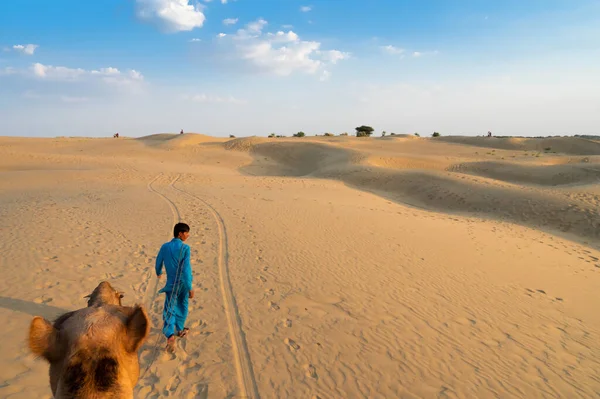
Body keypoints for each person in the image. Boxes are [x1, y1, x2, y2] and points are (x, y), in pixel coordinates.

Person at [155, 222, 194, 352]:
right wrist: (190, 287)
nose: (188, 235)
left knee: (169, 308)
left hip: (171, 284)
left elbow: (158, 261)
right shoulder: (185, 248)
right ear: (180, 233)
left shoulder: (165, 247)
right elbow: (186, 270)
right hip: (182, 284)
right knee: (182, 306)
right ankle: (180, 329)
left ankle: (170, 336)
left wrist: (158, 272)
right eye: (186, 232)